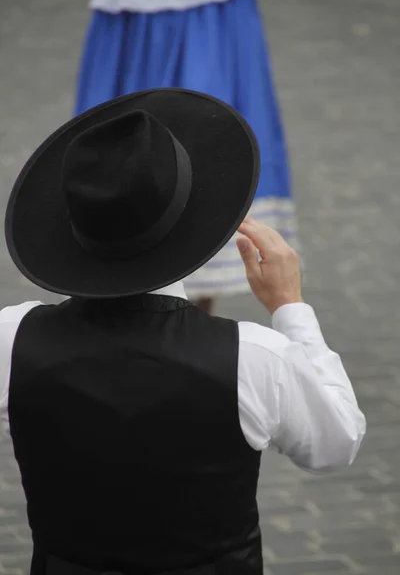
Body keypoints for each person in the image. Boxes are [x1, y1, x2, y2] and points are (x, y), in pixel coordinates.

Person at [0, 89, 365, 575]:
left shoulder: (10, 339)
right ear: (195, 218)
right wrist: (290, 306)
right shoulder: (255, 357)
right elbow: (334, 445)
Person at [75, 0, 297, 314]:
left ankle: (189, 323)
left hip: (207, 8)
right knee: (116, 153)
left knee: (209, 144)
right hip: (133, 10)